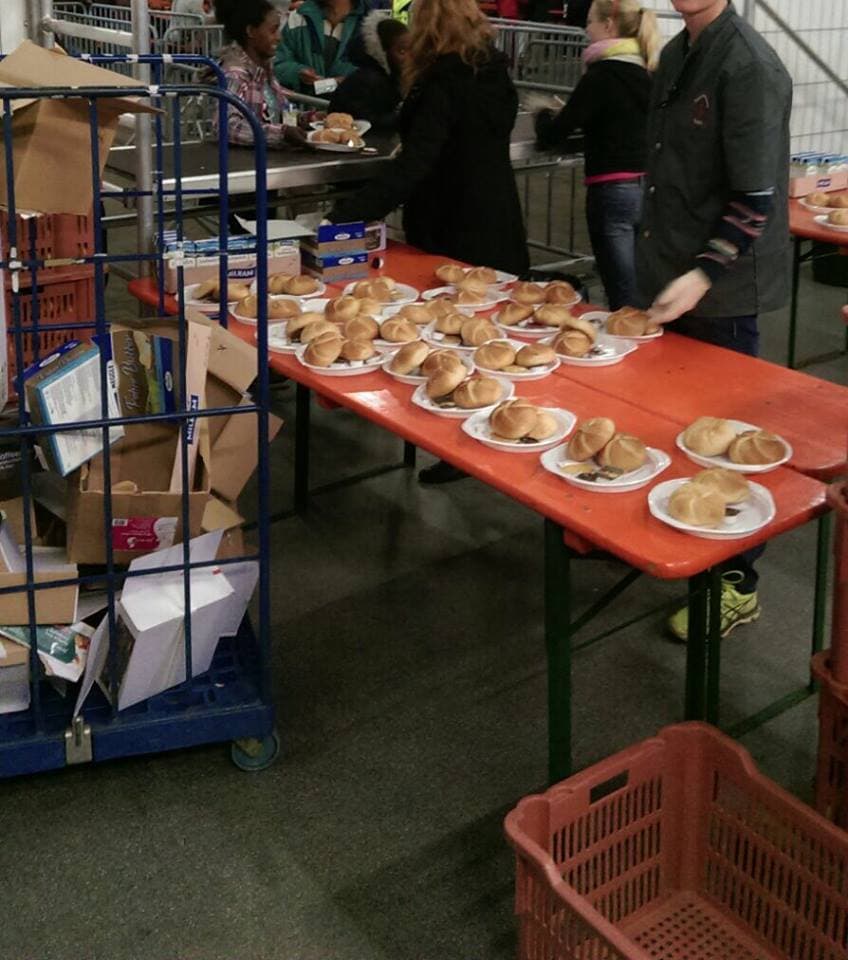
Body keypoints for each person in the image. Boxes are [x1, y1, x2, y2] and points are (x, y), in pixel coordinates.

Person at [636, 0, 792, 640]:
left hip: (720, 289)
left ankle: (737, 581)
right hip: (669, 272)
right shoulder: (678, 53)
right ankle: (683, 535)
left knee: (729, 444)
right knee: (669, 422)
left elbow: (755, 198)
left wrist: (703, 274)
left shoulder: (749, 66)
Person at [328, 0, 529, 485]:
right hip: (497, 217)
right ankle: (497, 431)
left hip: (452, 229)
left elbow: (417, 165)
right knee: (490, 343)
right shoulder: (494, 73)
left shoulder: (441, 81)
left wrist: (347, 215)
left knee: (452, 344)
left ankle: (462, 447)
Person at [533, 0, 660, 309]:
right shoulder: (650, 71)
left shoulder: (601, 75)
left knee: (621, 291)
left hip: (612, 188)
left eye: (589, 21)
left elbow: (554, 134)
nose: (586, 29)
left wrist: (543, 114)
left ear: (608, 26)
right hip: (650, 186)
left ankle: (626, 334)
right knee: (642, 285)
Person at [213, 0, 308, 149]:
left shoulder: (264, 69)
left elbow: (281, 111)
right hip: (245, 161)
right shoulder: (235, 74)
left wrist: (307, 118)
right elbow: (226, 126)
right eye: (273, 31)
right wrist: (281, 133)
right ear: (251, 31)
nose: (279, 37)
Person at [326, 11, 410, 132]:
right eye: (401, 51)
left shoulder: (391, 78)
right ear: (383, 51)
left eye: (412, 49)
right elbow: (366, 123)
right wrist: (403, 117)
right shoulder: (367, 81)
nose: (409, 57)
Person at [273, 0, 369, 94]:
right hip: (301, 102)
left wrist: (350, 81)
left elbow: (373, 74)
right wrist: (297, 72)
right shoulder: (298, 17)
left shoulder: (369, 25)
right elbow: (276, 63)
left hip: (351, 102)